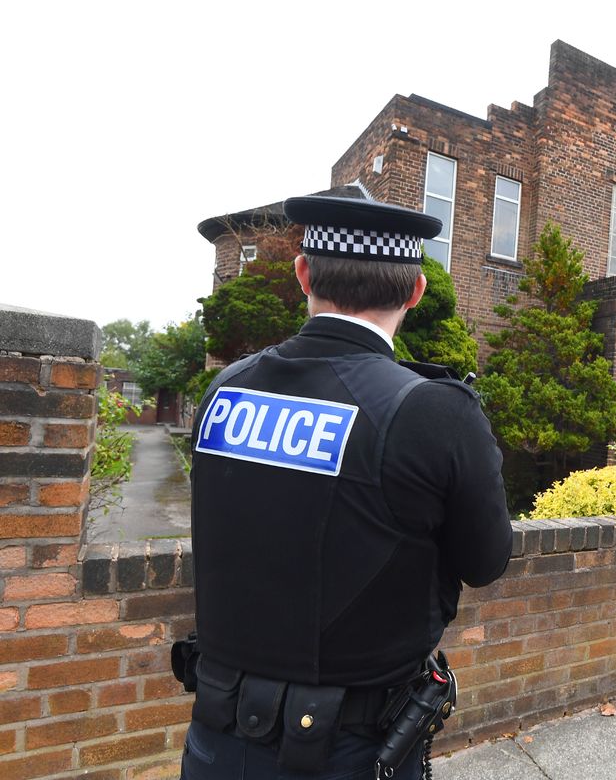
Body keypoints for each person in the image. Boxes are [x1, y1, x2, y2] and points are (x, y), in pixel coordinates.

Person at [178, 195, 513, 779]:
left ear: (304, 273)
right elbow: (485, 561)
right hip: (347, 751)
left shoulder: (228, 388)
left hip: (215, 739)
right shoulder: (435, 412)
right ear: (414, 290)